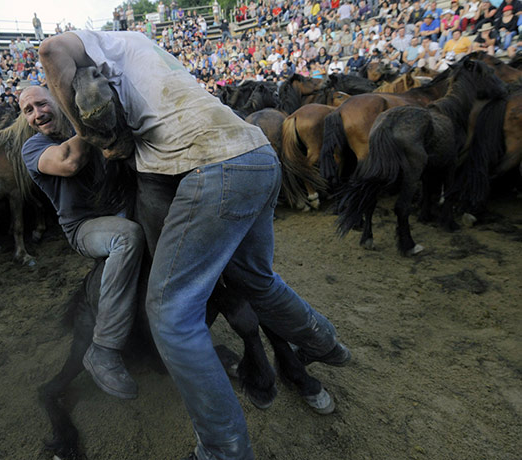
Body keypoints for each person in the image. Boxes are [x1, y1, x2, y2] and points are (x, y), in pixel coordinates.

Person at [39, 30, 350, 460]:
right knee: (257, 277)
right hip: (259, 154)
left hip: (214, 166)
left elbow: (51, 50)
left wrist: (91, 135)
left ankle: (222, 450)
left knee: (170, 314)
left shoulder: (95, 45)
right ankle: (324, 342)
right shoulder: (144, 52)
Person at [19, 85, 144, 400]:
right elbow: (68, 162)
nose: (37, 114)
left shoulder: (82, 133)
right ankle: (104, 347)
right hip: (85, 227)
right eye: (28, 110)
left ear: (58, 103)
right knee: (126, 237)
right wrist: (91, 123)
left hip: (120, 209)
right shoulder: (34, 147)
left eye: (41, 104)